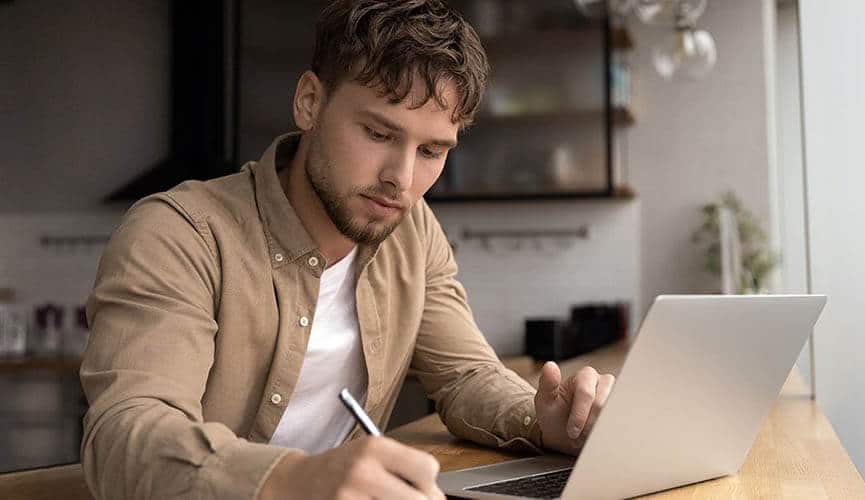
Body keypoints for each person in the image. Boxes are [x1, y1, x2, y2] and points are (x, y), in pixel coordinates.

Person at [80, 1, 616, 498]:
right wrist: (295, 476)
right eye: (379, 134)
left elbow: (465, 376)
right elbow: (127, 435)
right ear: (310, 102)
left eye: (431, 151)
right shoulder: (178, 234)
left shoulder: (413, 230)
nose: (401, 180)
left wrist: (542, 420)